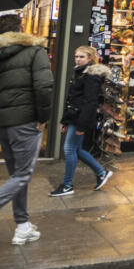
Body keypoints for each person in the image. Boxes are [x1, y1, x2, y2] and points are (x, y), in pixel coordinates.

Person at [0, 12, 54, 245]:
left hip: (4, 122)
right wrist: (43, 117)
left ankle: (22, 225)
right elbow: (44, 86)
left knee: (17, 175)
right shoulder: (35, 51)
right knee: (23, 175)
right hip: (25, 121)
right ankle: (22, 225)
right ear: (21, 28)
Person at [50, 46, 113, 197]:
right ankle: (101, 172)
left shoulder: (92, 75)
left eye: (81, 57)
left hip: (80, 118)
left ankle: (67, 185)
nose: (78, 59)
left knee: (70, 150)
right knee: (76, 150)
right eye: (76, 56)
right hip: (74, 116)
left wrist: (82, 125)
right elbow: (72, 99)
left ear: (90, 58)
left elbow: (90, 102)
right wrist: (65, 121)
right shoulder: (79, 73)